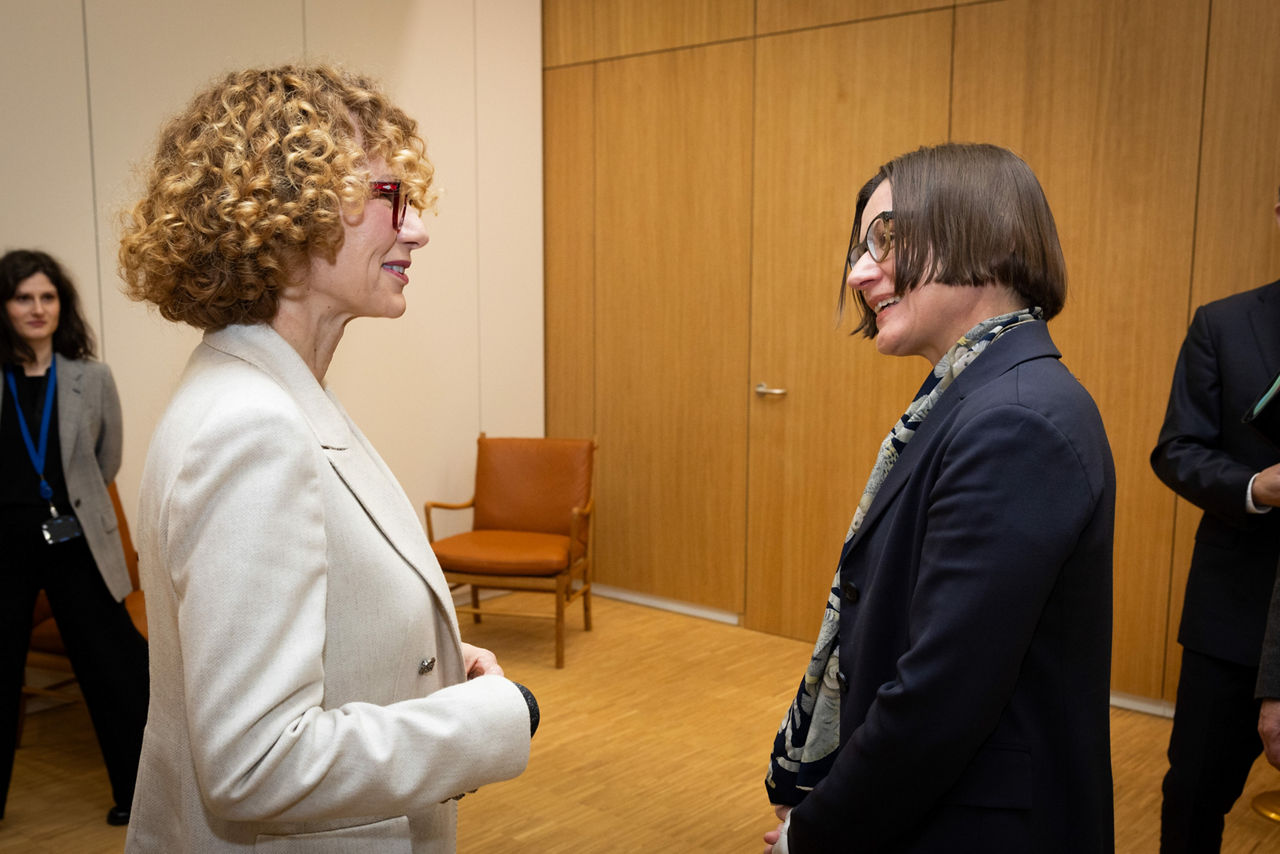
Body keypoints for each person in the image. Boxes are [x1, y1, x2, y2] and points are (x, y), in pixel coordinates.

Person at [117, 65, 536, 852]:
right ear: (286, 213)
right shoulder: (253, 428)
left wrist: (422, 661)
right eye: (390, 197)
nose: (417, 229)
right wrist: (480, 722)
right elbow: (255, 763)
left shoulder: (261, 391)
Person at [763, 143, 1116, 853]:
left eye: (885, 240)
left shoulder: (1015, 421)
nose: (860, 272)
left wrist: (816, 832)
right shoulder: (985, 396)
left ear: (983, 234)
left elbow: (941, 698)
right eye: (860, 247)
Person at [0, 249, 149, 826]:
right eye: (22, 297)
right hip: (6, 542)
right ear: (5, 307)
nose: (37, 309)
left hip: (75, 534)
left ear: (61, 305)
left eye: (47, 296)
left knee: (114, 666)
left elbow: (105, 460)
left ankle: (136, 795)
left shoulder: (91, 376)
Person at [1152, 188, 1280, 852]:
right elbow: (1176, 451)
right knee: (1194, 794)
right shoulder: (1224, 325)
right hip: (1234, 613)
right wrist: (1257, 485)